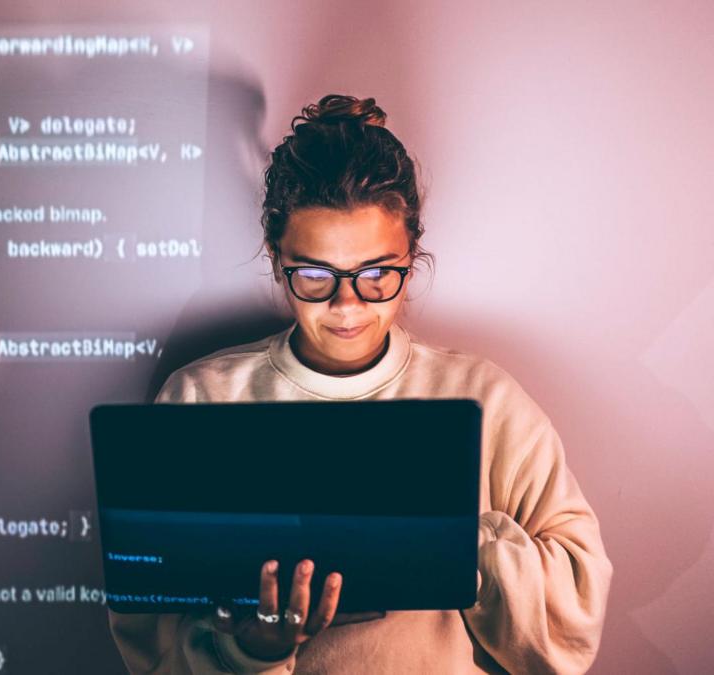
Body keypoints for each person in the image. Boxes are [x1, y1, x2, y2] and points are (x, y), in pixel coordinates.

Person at [106, 94, 613, 674]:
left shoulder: (484, 398)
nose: (347, 304)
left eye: (377, 274)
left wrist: (451, 544)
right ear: (277, 262)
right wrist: (248, 651)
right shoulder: (201, 400)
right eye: (315, 276)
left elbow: (576, 612)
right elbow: (148, 636)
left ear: (411, 258)